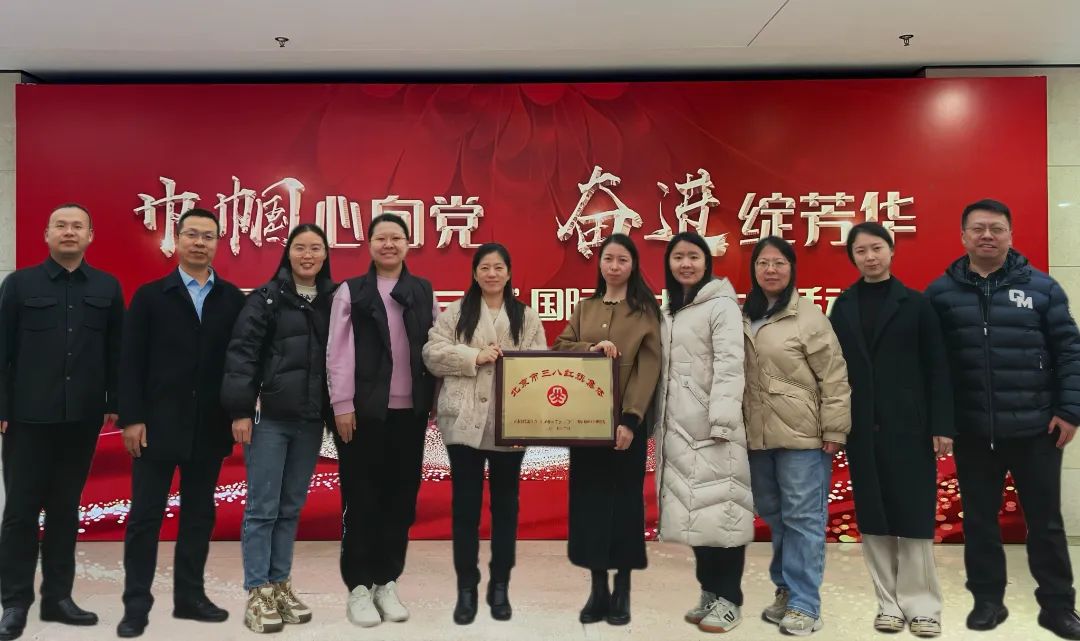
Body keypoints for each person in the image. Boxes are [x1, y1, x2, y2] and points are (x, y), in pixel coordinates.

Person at [925, 199, 1080, 640]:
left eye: (996, 228)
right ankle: (988, 601)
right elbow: (932, 366)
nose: (987, 235)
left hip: (1037, 431)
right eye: (978, 228)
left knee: (1046, 523)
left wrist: (1069, 411)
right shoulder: (940, 294)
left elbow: (1069, 351)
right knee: (979, 522)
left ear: (1011, 235)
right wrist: (940, 423)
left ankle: (1058, 606)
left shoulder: (1042, 288)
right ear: (963, 236)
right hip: (973, 432)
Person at [116, 208, 245, 638]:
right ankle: (136, 604)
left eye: (208, 236)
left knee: (198, 516)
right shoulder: (151, 296)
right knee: (145, 517)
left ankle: (190, 596)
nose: (199, 243)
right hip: (156, 425)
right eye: (192, 234)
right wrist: (132, 418)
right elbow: (130, 362)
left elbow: (241, 363)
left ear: (217, 243)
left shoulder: (232, 299)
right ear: (177, 239)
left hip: (209, 426)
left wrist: (239, 410)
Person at [0, 203, 123, 641]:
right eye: (60, 225)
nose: (69, 232)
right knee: (20, 512)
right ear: (47, 234)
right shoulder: (19, 285)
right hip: (27, 418)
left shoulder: (107, 287)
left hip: (81, 418)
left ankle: (58, 597)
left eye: (77, 226)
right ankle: (14, 602)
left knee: (65, 511)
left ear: (90, 236)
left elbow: (117, 352)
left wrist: (116, 402)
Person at [829, 222, 954, 638]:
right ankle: (888, 604)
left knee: (914, 516)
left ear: (891, 250)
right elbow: (833, 371)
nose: (870, 256)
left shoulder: (917, 304)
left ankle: (923, 608)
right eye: (861, 250)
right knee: (874, 518)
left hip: (910, 428)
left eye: (877, 248)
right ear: (853, 257)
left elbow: (938, 368)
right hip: (862, 429)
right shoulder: (843, 306)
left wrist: (942, 425)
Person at [422, 242, 546, 625]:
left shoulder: (526, 316)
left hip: (510, 424)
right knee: (465, 509)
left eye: (498, 268)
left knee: (506, 509)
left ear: (509, 273)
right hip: (463, 423)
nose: (491, 274)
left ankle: (500, 585)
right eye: (484, 268)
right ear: (475, 273)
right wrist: (473, 356)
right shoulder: (457, 312)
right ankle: (467, 587)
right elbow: (431, 354)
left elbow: (540, 365)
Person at [221, 224, 337, 633]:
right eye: (300, 247)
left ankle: (280, 584)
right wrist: (239, 410)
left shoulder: (334, 300)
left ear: (325, 255)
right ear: (288, 253)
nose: (308, 255)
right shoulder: (266, 298)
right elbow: (242, 356)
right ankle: (258, 592)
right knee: (262, 509)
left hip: (309, 421)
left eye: (315, 248)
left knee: (290, 508)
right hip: (268, 419)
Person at [326, 213, 439, 628]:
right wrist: (342, 405)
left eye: (396, 238)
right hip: (363, 414)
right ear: (369, 244)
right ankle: (358, 586)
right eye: (381, 238)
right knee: (362, 498)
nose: (389, 245)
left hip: (410, 414)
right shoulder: (351, 291)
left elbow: (436, 347)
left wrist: (436, 403)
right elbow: (337, 352)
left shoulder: (423, 291)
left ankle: (386, 581)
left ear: (408, 244)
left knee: (401, 499)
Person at [742, 236, 851, 637]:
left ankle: (806, 604)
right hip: (757, 438)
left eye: (779, 263)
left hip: (804, 438)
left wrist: (835, 428)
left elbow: (834, 376)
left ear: (791, 269)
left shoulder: (809, 317)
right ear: (754, 269)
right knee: (775, 515)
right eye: (763, 263)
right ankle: (787, 589)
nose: (771, 270)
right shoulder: (743, 315)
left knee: (803, 518)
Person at [552, 233, 661, 627]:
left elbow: (649, 369)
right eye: (608, 259)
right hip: (585, 424)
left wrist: (630, 419)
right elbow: (559, 348)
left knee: (625, 505)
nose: (614, 266)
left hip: (625, 426)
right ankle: (598, 589)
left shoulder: (645, 311)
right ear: (599, 264)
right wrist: (590, 348)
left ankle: (623, 590)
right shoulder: (585, 307)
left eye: (622, 260)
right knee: (589, 504)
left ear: (633, 265)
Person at [653, 232, 753, 634]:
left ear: (706, 261)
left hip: (714, 429)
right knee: (698, 516)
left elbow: (731, 363)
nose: (686, 264)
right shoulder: (671, 309)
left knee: (724, 513)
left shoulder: (721, 304)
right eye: (678, 257)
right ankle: (710, 591)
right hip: (678, 428)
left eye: (693, 256)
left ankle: (730, 599)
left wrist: (722, 421)